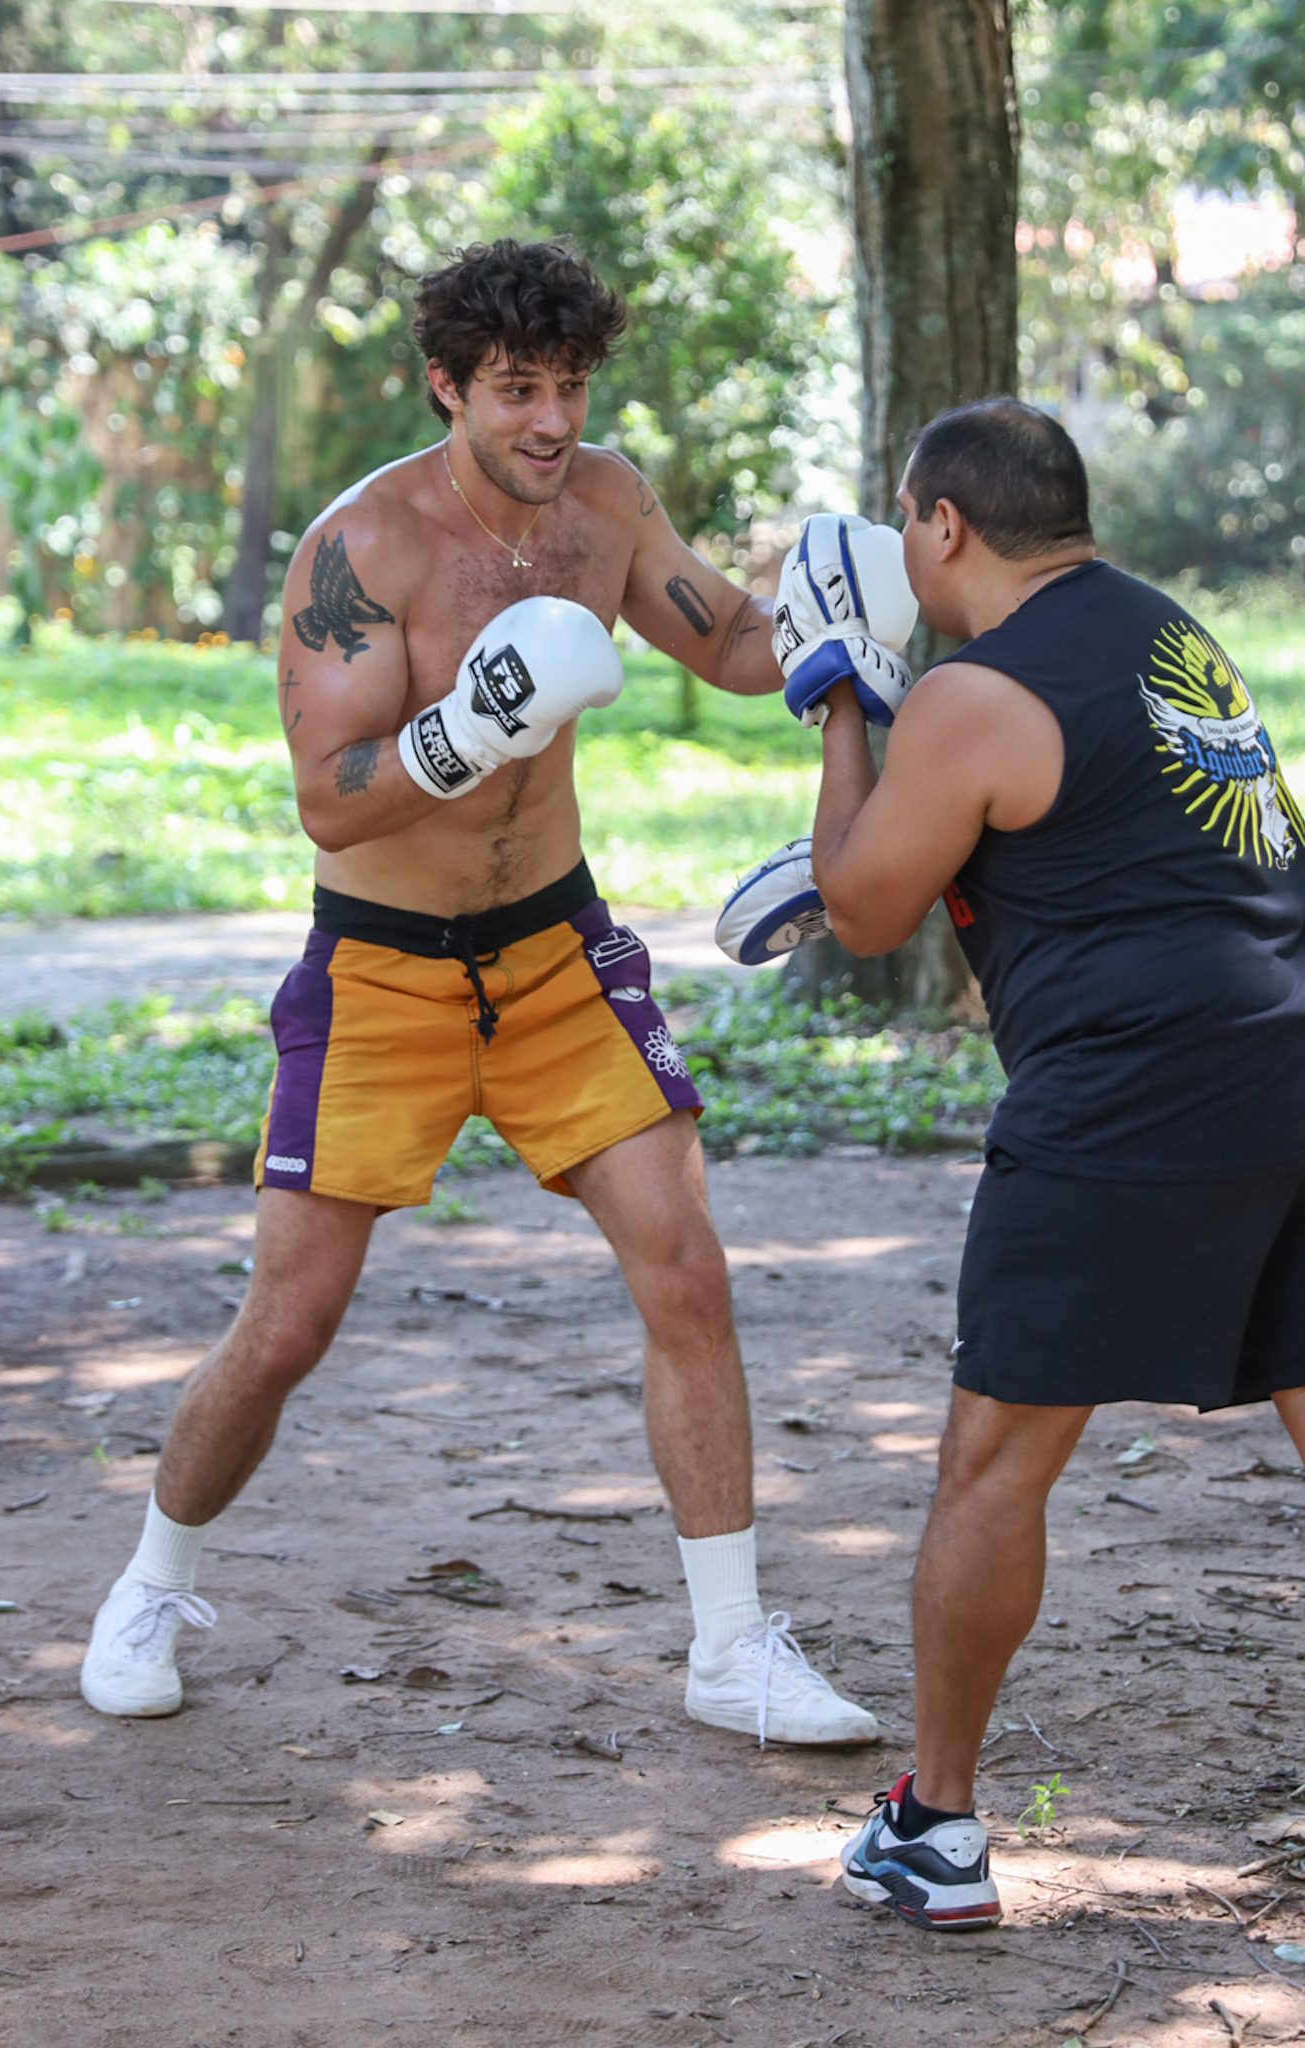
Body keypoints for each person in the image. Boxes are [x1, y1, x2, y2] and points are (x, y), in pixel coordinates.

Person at [79, 237, 894, 1748]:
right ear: (445, 385)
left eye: (571, 387)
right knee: (287, 1325)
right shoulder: (361, 548)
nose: (550, 421)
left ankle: (728, 1647)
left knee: (687, 1269)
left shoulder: (607, 501)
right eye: (518, 390)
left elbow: (724, 640)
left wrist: (848, 615)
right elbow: (331, 801)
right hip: (380, 970)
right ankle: (149, 1580)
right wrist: (464, 733)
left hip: (556, 948)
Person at [749, 397, 1305, 1925]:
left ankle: (932, 1830)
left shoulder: (971, 695)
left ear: (941, 527)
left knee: (992, 1461)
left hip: (1135, 1094)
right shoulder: (1172, 632)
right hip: (1285, 1053)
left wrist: (839, 702)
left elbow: (860, 913)